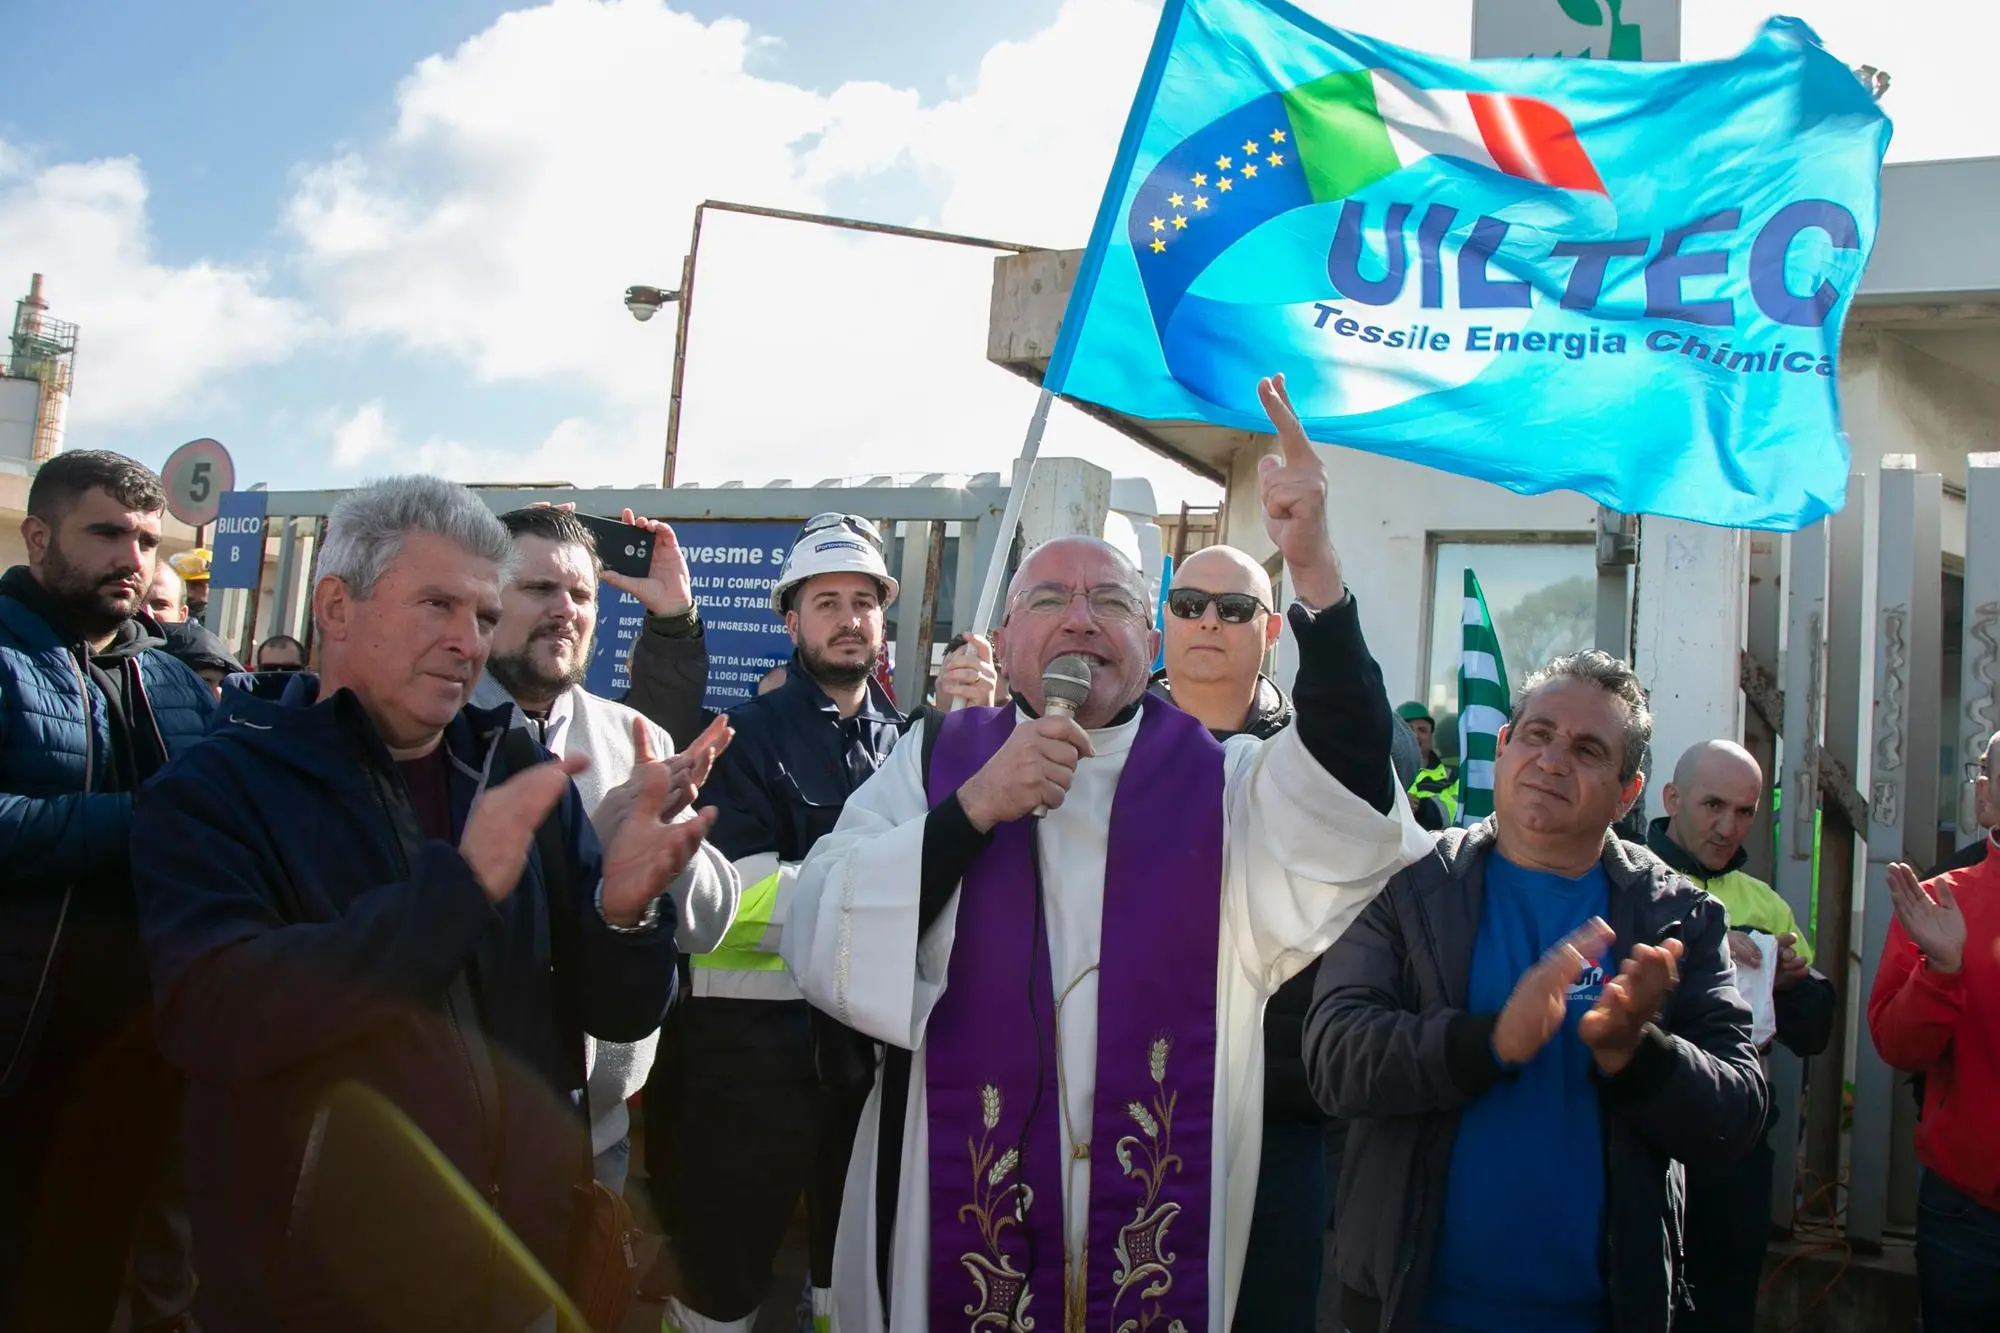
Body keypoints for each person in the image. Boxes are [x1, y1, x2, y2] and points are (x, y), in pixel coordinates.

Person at [784, 375, 1430, 1332]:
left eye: (1112, 599)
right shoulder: (935, 758)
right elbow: (822, 918)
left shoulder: (1221, 783)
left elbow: (1348, 797)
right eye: (1050, 597)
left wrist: (1316, 569)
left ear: (1148, 633)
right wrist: (971, 811)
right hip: (965, 1203)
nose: (1082, 617)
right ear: (1005, 634)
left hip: (1152, 1232)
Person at [132, 476, 710, 1333]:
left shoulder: (514, 770)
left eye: (481, 615)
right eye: (437, 604)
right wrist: (459, 891)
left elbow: (617, 1011)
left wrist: (625, 914)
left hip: (519, 1275)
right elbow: (217, 1016)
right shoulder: (217, 787)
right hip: (313, 1293)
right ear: (335, 605)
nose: (465, 641)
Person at [1308, 650, 1767, 1333]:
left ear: (1628, 792)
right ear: (1503, 746)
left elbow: (1737, 1112)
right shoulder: (1407, 886)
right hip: (1406, 1305)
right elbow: (1334, 1057)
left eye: (1587, 749)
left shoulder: (1680, 916)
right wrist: (1488, 1042)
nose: (1553, 760)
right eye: (1538, 733)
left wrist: (1635, 1053)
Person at [643, 511, 937, 1333]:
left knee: (845, 1291)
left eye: (863, 601)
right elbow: (734, 898)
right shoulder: (742, 737)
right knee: (718, 1288)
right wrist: (882, 887)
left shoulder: (909, 742)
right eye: (827, 601)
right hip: (744, 1071)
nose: (849, 619)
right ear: (791, 619)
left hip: (866, 1067)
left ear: (883, 616)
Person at [1147, 542, 1417, 1332]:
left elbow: (1367, 761)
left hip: (1279, 1106)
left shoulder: (1319, 747)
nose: (1207, 622)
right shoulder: (1108, 744)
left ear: (1270, 630)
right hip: (1132, 1093)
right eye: (1189, 604)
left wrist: (1316, 560)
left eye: (1233, 610)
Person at [0, 450, 215, 1332]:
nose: (133, 557)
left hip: (147, 1063)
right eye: (108, 534)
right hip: (20, 1052)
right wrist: (142, 821)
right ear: (39, 535)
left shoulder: (171, 679)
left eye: (145, 538)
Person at [470, 505, 739, 1196]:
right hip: (450, 1146)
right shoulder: (431, 728)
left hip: (595, 1144)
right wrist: (598, 843)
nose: (566, 610)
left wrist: (668, 857)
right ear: (484, 595)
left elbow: (710, 923)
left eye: (582, 594)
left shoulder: (634, 738)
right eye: (538, 589)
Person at [1646, 740, 1835, 1333]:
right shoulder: (1623, 874)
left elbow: (1814, 1030)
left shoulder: (1766, 903)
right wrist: (1703, 949)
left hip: (1733, 1142)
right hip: (1640, 1135)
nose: (1730, 827)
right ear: (1672, 799)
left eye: (1746, 810)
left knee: (1723, 1305)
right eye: (1713, 805)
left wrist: (1789, 985)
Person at [1869, 731, 2000, 1333]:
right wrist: (1941, 971)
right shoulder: (1939, 904)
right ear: (1985, 798)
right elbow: (1897, 1047)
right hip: (1968, 1210)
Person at [1397, 701, 1459, 829]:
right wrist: (1396, 804)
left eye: (1422, 730)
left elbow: (1453, 813)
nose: (1415, 735)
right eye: (1408, 729)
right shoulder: (1382, 772)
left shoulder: (1451, 778)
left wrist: (1420, 807)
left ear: (1432, 737)